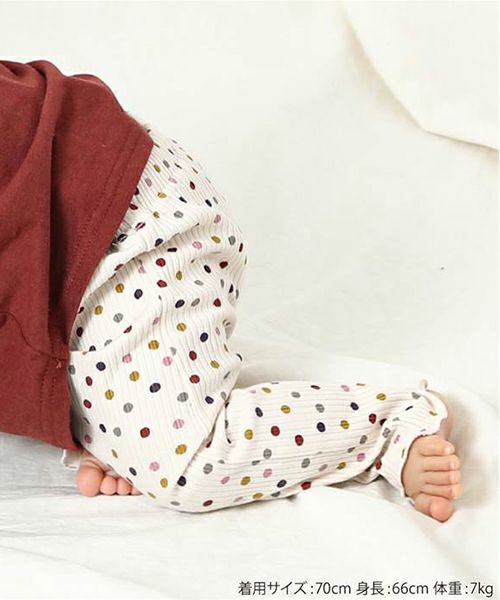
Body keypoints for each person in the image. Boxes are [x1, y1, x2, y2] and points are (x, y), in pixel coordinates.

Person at [62, 121, 462, 522]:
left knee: (186, 461)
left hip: (123, 211)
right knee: (136, 427)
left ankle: (391, 426)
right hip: (76, 231)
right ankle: (128, 421)